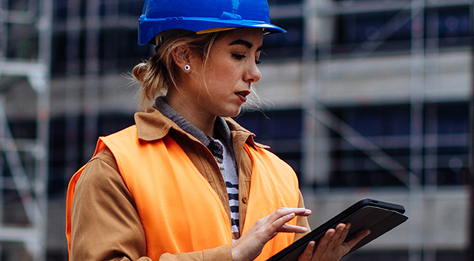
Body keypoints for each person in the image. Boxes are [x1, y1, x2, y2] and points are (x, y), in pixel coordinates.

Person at [64, 0, 370, 260]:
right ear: (183, 56)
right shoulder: (115, 168)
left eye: (257, 56)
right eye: (239, 55)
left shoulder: (278, 174)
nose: (255, 73)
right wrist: (231, 256)